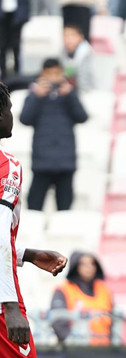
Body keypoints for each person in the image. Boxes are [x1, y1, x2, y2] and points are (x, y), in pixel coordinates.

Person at [0, 81, 115, 358]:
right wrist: (10, 303)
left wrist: (25, 253)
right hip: (0, 300)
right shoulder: (5, 166)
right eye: (7, 106)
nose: (11, 115)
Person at [19, 58, 88, 211]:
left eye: (57, 73)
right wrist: (37, 96)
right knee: (34, 209)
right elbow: (24, 119)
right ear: (42, 74)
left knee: (65, 211)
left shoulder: (69, 95)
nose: (53, 77)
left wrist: (70, 95)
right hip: (41, 163)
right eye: (49, 73)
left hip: (65, 163)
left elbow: (82, 117)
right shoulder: (34, 95)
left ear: (62, 74)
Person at [50, 251, 113, 345]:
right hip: (75, 350)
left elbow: (114, 319)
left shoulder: (104, 290)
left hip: (104, 349)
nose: (89, 267)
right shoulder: (63, 290)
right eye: (84, 264)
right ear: (76, 266)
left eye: (92, 263)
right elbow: (58, 321)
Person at [60, 24, 94, 92]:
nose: (68, 39)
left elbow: (84, 81)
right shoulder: (62, 52)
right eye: (65, 36)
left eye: (72, 35)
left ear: (81, 37)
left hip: (89, 91)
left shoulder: (86, 53)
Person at [0, 0, 29, 79]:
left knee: (16, 46)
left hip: (17, 15)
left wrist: (24, 15)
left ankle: (17, 72)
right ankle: (4, 73)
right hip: (2, 16)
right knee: (2, 46)